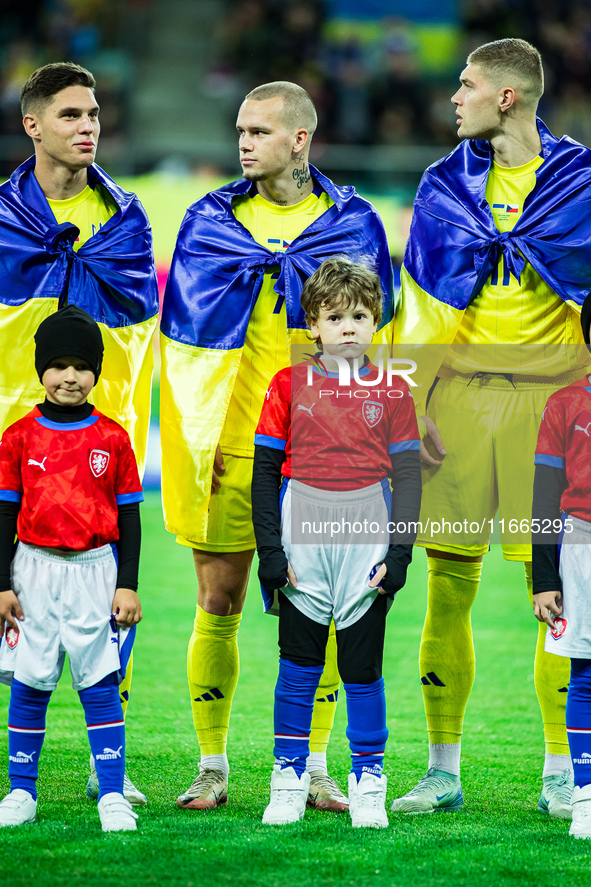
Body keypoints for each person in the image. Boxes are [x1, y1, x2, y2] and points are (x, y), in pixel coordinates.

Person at [160, 81, 394, 811]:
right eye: (239, 130)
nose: (242, 142)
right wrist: (200, 441)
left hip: (324, 453)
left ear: (299, 139)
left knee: (330, 606)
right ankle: (212, 764)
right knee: (217, 596)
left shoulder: (350, 223)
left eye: (259, 131)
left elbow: (376, 343)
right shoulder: (208, 220)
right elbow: (181, 345)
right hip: (231, 443)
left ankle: (315, 766)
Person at [391, 38, 591, 816]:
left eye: (466, 85)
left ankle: (561, 769)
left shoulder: (580, 180)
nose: (454, 97)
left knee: (560, 591)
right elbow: (422, 306)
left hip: (554, 410)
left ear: (505, 97)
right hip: (460, 408)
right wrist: (411, 404)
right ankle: (442, 769)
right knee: (447, 586)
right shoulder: (444, 183)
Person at [0, 61, 158, 806]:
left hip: (96, 452)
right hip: (11, 446)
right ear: (32, 125)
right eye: (69, 115)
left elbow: (136, 337)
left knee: (109, 617)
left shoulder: (126, 220)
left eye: (93, 114)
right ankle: (19, 780)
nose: (87, 126)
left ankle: (109, 766)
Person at [251, 257, 421, 828]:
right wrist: (271, 554)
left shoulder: (394, 391)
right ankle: (288, 776)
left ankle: (368, 777)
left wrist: (398, 555)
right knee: (298, 665)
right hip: (303, 526)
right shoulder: (286, 385)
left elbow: (410, 478)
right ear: (313, 325)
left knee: (362, 669)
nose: (348, 327)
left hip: (367, 529)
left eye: (359, 315)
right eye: (334, 316)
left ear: (376, 321)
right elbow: (265, 473)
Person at [0, 307, 143, 832]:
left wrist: (126, 582)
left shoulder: (113, 437)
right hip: (32, 570)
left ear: (96, 373)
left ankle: (111, 793)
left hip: (94, 571)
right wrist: (1, 585)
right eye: (58, 365)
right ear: (41, 370)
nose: (69, 376)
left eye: (81, 366)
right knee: (30, 682)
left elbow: (130, 516)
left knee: (100, 681)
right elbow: (2, 514)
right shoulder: (18, 437)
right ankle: (21, 792)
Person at [532, 295, 591, 839]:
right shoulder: (566, 404)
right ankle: (586, 795)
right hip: (579, 547)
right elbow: (546, 495)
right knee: (586, 674)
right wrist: (544, 578)